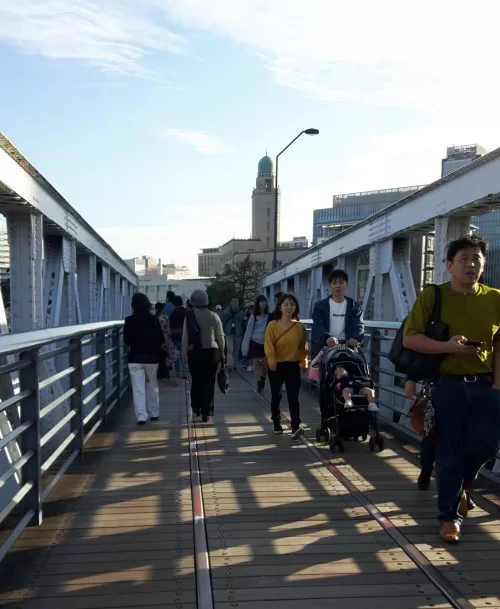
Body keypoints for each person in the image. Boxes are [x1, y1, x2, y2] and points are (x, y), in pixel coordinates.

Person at [403, 235, 500, 544]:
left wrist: (497, 384)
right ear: (448, 265)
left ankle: (461, 487)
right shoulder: (433, 296)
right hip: (447, 385)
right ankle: (448, 518)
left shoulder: (495, 298)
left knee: (486, 446)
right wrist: (447, 347)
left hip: (485, 385)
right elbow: (410, 338)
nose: (471, 264)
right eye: (464, 259)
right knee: (448, 452)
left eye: (477, 259)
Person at [264, 292, 308, 438]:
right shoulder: (272, 325)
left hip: (293, 365)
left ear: (296, 307)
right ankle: (276, 421)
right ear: (280, 307)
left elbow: (303, 347)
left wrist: (303, 361)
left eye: (292, 305)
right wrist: (271, 360)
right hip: (276, 365)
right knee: (276, 395)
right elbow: (268, 344)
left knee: (293, 396)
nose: (289, 307)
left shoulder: (299, 327)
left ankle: (295, 425)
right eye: (286, 305)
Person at [182, 289, 225, 422]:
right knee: (209, 381)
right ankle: (207, 410)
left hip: (195, 352)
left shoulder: (189, 316)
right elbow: (220, 337)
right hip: (212, 352)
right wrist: (222, 352)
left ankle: (196, 408)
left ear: (193, 302)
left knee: (196, 381)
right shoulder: (214, 316)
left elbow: (185, 337)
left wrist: (183, 354)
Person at [124, 293, 165, 425]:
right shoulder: (153, 319)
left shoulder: (129, 320)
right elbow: (160, 339)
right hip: (152, 358)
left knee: (138, 388)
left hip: (135, 357)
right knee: (152, 386)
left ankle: (141, 416)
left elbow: (127, 340)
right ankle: (154, 412)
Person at [311, 269, 364, 357]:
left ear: (346, 284)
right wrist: (326, 337)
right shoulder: (319, 306)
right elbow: (317, 326)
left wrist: (356, 338)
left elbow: (359, 325)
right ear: (330, 286)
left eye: (341, 282)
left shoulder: (354, 307)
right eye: (334, 283)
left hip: (348, 350)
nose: (338, 286)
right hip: (326, 349)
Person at [241, 295, 271, 392]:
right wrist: (244, 350)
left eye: (264, 301)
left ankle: (263, 378)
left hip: (266, 343)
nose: (263, 303)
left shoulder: (269, 316)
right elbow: (248, 332)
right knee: (257, 363)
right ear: (257, 303)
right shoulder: (253, 317)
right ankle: (259, 382)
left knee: (265, 364)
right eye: (261, 302)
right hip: (255, 342)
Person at [220, 298, 245, 371]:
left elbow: (243, 322)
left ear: (237, 303)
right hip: (229, 333)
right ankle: (230, 365)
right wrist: (223, 332)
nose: (234, 303)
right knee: (230, 350)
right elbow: (223, 322)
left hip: (238, 333)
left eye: (236, 302)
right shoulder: (226, 312)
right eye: (233, 302)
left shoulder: (241, 312)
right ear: (230, 303)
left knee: (236, 350)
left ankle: (234, 364)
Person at [154, 301, 175, 381]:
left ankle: (158, 373)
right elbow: (168, 331)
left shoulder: (154, 318)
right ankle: (165, 374)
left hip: (156, 340)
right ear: (162, 309)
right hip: (165, 340)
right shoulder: (165, 318)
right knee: (166, 357)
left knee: (158, 357)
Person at [169, 295, 187, 379]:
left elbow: (170, 326)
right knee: (184, 354)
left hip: (175, 336)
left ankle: (178, 371)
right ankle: (184, 370)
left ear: (174, 304)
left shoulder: (172, 314)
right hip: (185, 336)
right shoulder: (187, 312)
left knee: (176, 354)